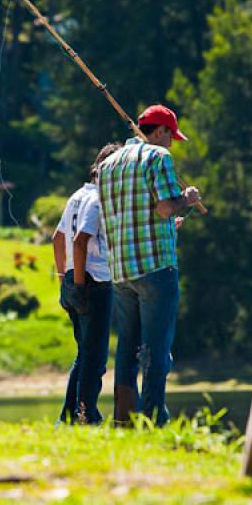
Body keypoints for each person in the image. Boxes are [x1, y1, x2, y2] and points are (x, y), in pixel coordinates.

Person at [98, 104, 201, 426]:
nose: (172, 145)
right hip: (156, 268)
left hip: (121, 270)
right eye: (172, 137)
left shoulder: (108, 165)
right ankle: (155, 419)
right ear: (162, 131)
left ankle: (124, 419)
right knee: (158, 350)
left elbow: (134, 215)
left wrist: (170, 222)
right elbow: (165, 209)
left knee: (127, 349)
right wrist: (188, 198)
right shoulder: (158, 157)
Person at [53, 143, 121, 424]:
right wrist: (80, 286)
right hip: (92, 284)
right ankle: (86, 416)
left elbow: (58, 240)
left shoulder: (78, 196)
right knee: (95, 359)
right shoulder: (99, 200)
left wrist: (64, 279)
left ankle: (70, 417)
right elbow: (80, 241)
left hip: (73, 278)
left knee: (84, 355)